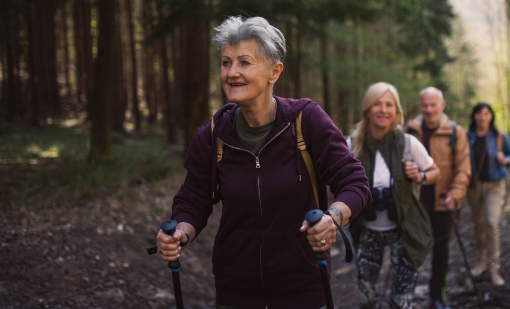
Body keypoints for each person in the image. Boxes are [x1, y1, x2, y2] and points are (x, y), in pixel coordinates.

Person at [156, 16, 372, 309]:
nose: (232, 73)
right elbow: (193, 201)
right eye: (225, 62)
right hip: (235, 290)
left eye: (244, 62)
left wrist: (332, 217)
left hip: (303, 288)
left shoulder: (305, 121)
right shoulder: (213, 134)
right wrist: (179, 234)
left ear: (275, 71)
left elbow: (354, 182)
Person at [348, 82, 440, 309]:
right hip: (367, 228)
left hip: (404, 229)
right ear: (367, 109)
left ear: (396, 111)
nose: (383, 109)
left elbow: (434, 171)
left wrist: (420, 176)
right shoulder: (351, 144)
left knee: (402, 299)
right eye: (377, 103)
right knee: (367, 297)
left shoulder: (408, 143)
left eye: (389, 104)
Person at [405, 87, 471, 309]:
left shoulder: (455, 132)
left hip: (443, 205)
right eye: (425, 105)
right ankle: (405, 296)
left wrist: (455, 195)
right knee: (409, 252)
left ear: (442, 106)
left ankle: (437, 297)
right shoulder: (409, 131)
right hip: (414, 206)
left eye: (433, 105)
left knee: (440, 254)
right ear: (420, 106)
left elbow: (463, 170)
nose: (429, 109)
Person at [466, 103, 510, 287]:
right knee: (479, 224)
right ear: (474, 116)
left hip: (495, 185)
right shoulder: (466, 137)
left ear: (491, 117)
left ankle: (494, 268)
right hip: (473, 186)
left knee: (491, 223)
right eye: (479, 113)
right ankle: (482, 261)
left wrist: (505, 160)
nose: (482, 117)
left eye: (486, 114)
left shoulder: (499, 136)